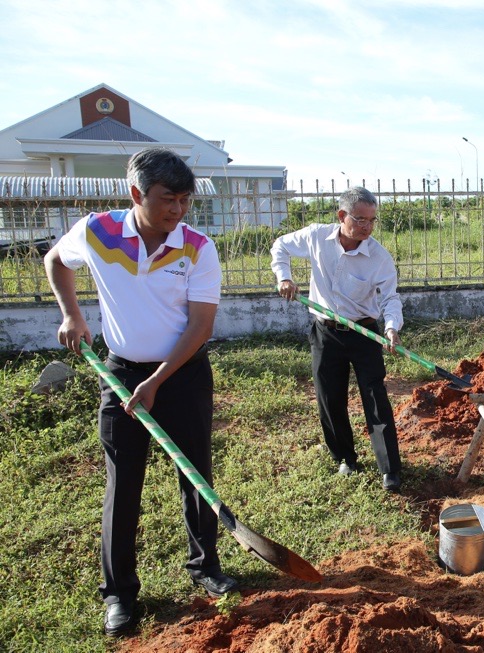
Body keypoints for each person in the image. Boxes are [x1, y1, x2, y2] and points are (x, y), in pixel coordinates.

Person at [43, 148, 238, 637]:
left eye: (185, 200)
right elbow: (55, 261)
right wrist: (73, 314)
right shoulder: (97, 232)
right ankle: (120, 595)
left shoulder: (197, 247)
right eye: (167, 199)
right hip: (122, 375)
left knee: (194, 471)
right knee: (123, 482)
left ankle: (205, 566)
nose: (177, 210)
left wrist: (158, 382)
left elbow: (200, 325)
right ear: (137, 194)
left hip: (183, 375)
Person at [271, 186, 404, 493]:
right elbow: (280, 246)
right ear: (342, 216)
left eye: (372, 220)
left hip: (365, 332)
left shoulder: (379, 258)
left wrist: (391, 328)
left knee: (375, 399)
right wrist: (285, 277)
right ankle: (345, 458)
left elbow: (390, 299)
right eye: (360, 220)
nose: (367, 227)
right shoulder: (317, 237)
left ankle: (389, 469)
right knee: (330, 398)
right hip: (325, 332)